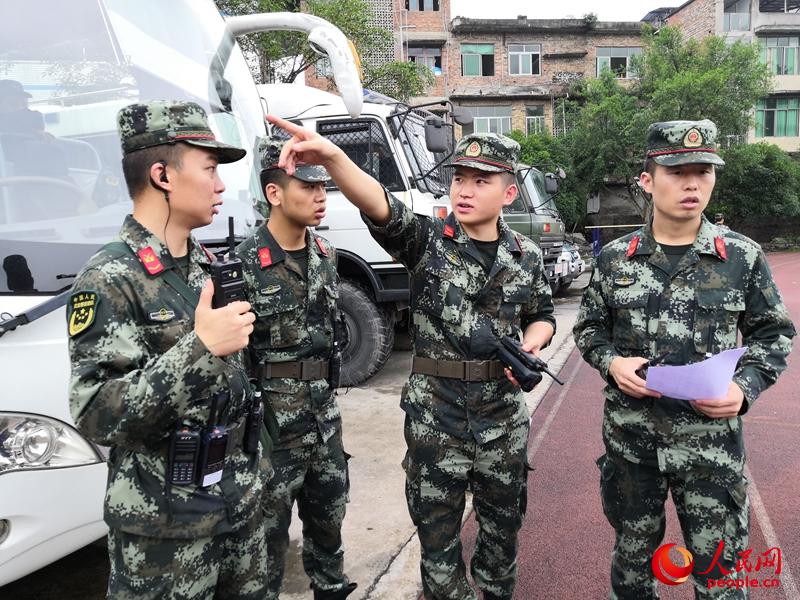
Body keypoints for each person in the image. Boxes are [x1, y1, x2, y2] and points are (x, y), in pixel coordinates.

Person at [266, 115, 556, 600]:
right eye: (459, 178)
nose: (464, 190)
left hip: (502, 418)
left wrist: (534, 340)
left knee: (501, 538)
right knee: (438, 548)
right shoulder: (426, 242)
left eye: (481, 181)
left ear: (508, 194)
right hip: (435, 422)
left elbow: (542, 314)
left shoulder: (525, 254)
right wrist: (335, 158)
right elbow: (379, 204)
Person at [573, 119, 795, 599]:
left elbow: (774, 334)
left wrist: (744, 389)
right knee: (633, 565)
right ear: (648, 181)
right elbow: (589, 328)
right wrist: (610, 362)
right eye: (677, 171)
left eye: (703, 171)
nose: (692, 183)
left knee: (719, 575)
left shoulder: (741, 257)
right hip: (632, 444)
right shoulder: (616, 259)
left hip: (711, 447)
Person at [67, 100, 271, 599]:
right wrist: (201, 348)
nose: (221, 185)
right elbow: (96, 412)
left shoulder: (204, 265)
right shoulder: (111, 278)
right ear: (162, 175)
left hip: (237, 508)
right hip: (165, 534)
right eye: (209, 168)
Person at [237, 136, 356, 600]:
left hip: (323, 421)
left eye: (324, 188)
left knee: (330, 522)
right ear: (275, 193)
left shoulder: (326, 256)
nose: (321, 197)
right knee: (266, 540)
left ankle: (331, 590)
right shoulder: (245, 263)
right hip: (271, 428)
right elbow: (238, 359)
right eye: (307, 187)